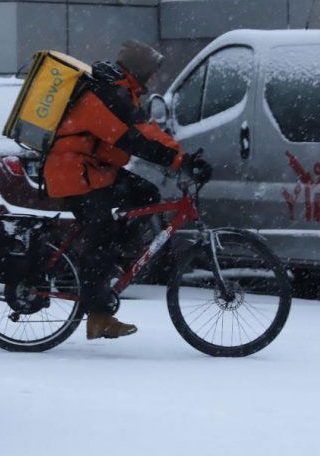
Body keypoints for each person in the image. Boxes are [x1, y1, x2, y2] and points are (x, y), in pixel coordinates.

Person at [43, 40, 209, 340]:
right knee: (101, 235)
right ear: (141, 70)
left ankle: (117, 251)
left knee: (146, 193)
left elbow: (149, 131)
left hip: (95, 170)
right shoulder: (108, 93)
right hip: (73, 172)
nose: (156, 79)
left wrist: (181, 157)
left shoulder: (124, 91)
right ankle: (98, 315)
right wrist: (177, 161)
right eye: (154, 72)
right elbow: (131, 139)